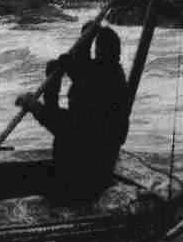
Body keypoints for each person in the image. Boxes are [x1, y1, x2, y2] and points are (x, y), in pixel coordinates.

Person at [16, 23, 130, 203]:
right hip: (83, 167)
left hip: (83, 181)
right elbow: (82, 65)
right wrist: (52, 83)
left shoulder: (102, 86)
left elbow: (61, 124)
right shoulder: (111, 76)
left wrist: (33, 105)